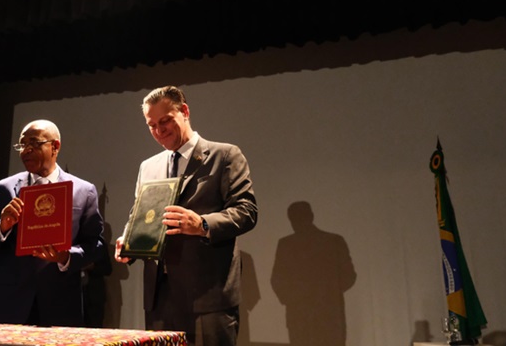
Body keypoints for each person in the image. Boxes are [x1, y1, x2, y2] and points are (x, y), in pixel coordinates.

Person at [114, 85, 258, 346]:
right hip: (159, 298)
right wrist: (129, 241)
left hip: (208, 297)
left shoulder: (224, 155)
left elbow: (246, 211)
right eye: (151, 125)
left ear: (185, 111)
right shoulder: (148, 166)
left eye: (165, 121)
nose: (159, 130)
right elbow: (140, 214)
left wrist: (202, 224)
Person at [0, 119, 104, 326]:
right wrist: (3, 225)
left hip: (60, 304)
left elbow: (96, 245)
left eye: (34, 143)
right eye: (22, 144)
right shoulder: (4, 188)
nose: (26, 150)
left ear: (55, 146)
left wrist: (66, 256)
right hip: (11, 305)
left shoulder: (83, 191)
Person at [270, 201, 356, 346]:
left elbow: (277, 280)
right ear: (311, 216)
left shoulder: (286, 244)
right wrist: (329, 294)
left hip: (301, 316)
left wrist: (295, 299)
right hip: (329, 315)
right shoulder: (334, 241)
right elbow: (349, 276)